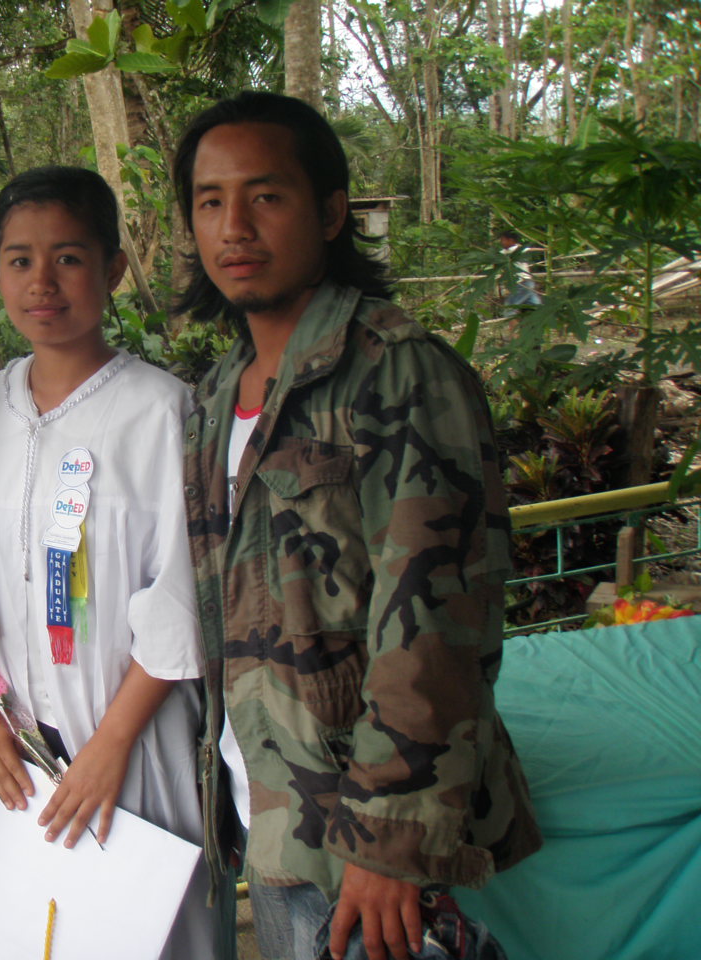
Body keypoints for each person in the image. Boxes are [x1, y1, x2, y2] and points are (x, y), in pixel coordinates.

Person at [172, 92, 542, 960]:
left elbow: (438, 626)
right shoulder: (217, 394)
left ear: (332, 211)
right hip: (273, 815)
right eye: (210, 201)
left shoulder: (397, 373)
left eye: (266, 196)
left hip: (368, 845)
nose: (234, 227)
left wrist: (388, 840)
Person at [0, 166, 212, 958]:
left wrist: (110, 747)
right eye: (20, 260)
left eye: (69, 258)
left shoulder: (161, 410)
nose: (42, 282)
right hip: (13, 749)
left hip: (131, 746)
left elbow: (180, 595)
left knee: (149, 930)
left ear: (113, 270)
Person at [497, 230, 542, 312]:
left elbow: (530, 250)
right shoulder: (511, 250)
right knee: (534, 306)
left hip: (521, 283)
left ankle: (510, 320)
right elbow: (531, 250)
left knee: (510, 307)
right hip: (528, 282)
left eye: (503, 240)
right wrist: (546, 249)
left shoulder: (514, 250)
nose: (501, 242)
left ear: (511, 240)